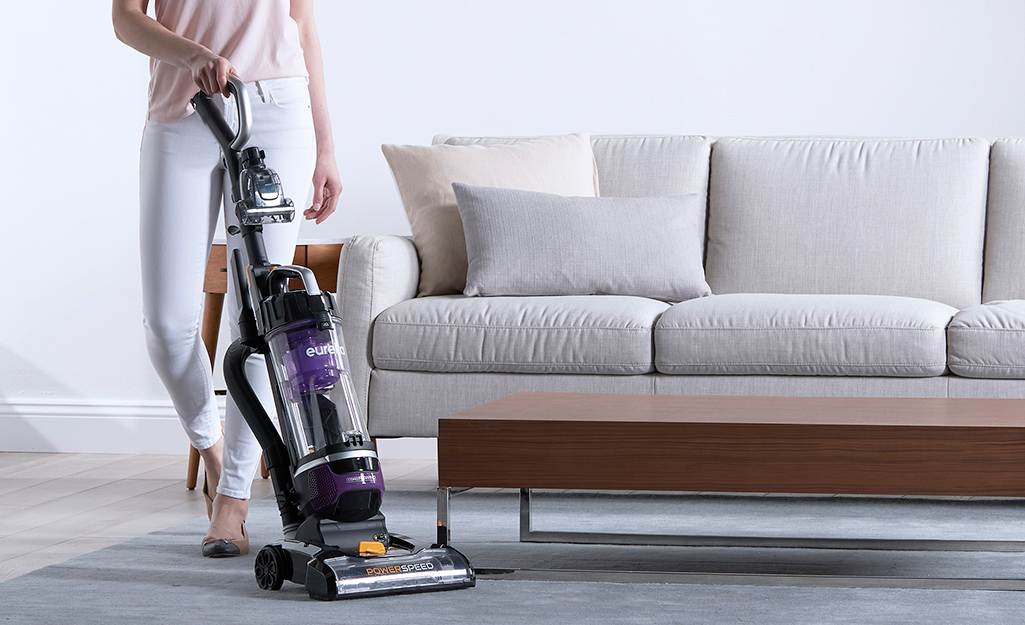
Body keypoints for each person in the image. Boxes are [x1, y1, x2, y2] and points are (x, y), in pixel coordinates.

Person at [112, 0, 340, 557]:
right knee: (167, 324)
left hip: (277, 108)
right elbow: (124, 17)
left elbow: (302, 25)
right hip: (181, 109)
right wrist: (193, 54)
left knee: (260, 316)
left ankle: (234, 497)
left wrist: (327, 146)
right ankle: (210, 446)